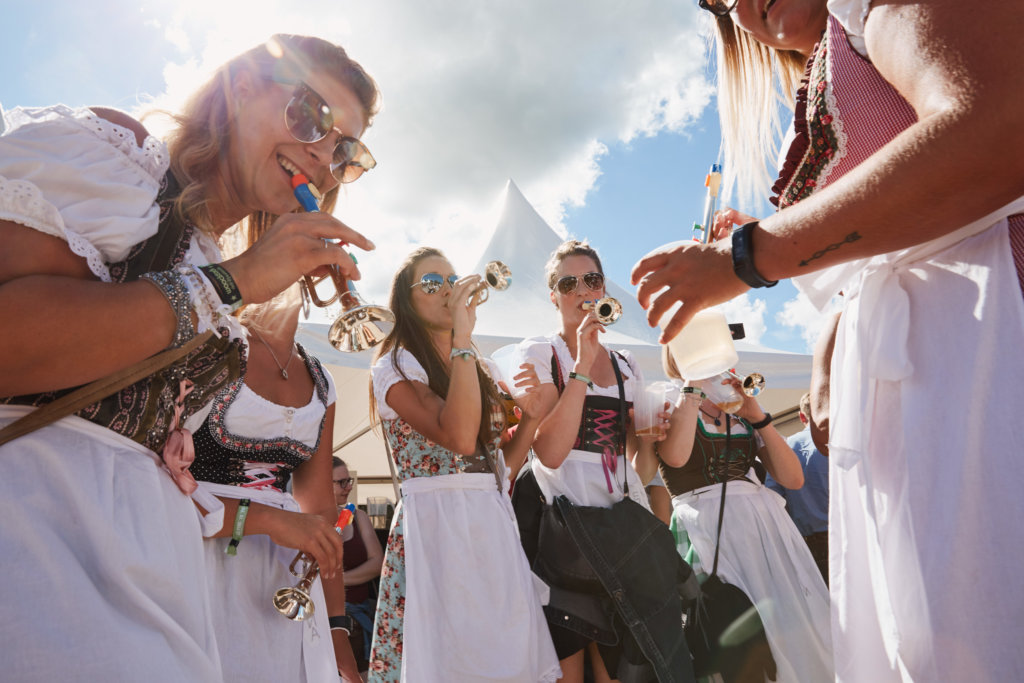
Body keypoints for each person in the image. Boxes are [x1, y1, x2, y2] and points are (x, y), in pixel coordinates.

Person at [632, 1, 1024, 680]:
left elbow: (1001, 120)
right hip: (925, 411)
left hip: (995, 354)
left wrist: (751, 255)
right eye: (716, 3)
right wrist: (825, 349)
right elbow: (885, 247)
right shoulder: (821, 66)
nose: (737, 3)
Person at [0, 33, 376, 681]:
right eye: (310, 116)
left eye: (345, 149)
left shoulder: (214, 256)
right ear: (240, 88)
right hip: (42, 552)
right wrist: (232, 284)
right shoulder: (117, 160)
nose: (321, 156)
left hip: (160, 584)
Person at [367, 247, 560, 682]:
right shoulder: (395, 366)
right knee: (449, 656)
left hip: (489, 521)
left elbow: (498, 468)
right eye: (431, 284)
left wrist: (531, 417)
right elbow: (454, 435)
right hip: (437, 524)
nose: (446, 292)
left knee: (502, 655)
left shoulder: (482, 366)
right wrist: (461, 341)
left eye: (451, 282)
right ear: (406, 301)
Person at [513, 240, 687, 683]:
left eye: (590, 279)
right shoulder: (541, 353)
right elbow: (549, 454)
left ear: (603, 286)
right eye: (567, 283)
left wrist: (651, 436)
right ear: (554, 295)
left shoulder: (628, 364)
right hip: (562, 524)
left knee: (619, 668)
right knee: (568, 669)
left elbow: (637, 469)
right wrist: (583, 364)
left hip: (620, 526)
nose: (581, 290)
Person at [188, 291, 360, 682]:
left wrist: (337, 628)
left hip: (286, 578)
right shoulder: (210, 346)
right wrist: (269, 520)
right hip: (202, 563)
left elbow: (320, 509)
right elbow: (159, 488)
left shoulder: (320, 379)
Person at [639, 349, 832, 683]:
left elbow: (793, 479)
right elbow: (676, 458)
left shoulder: (738, 403)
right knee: (734, 623)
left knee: (793, 621)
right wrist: (693, 387)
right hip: (708, 526)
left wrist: (757, 415)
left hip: (764, 526)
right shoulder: (668, 399)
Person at [765, 392, 829, 584]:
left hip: (811, 545)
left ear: (802, 417)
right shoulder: (846, 441)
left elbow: (773, 498)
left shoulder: (785, 449)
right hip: (851, 533)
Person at [329, 456, 384, 677]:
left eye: (348, 480)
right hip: (326, 621)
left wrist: (335, 580)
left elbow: (377, 564)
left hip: (358, 622)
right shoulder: (307, 518)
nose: (349, 486)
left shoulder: (357, 515)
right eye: (341, 482)